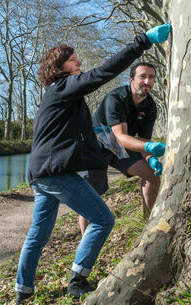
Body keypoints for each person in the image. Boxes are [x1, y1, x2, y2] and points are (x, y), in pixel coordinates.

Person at [14, 23, 171, 304]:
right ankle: (78, 279)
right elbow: (104, 72)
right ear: (60, 66)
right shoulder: (64, 87)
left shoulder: (57, 97)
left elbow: (73, 138)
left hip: (40, 175)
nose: (80, 63)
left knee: (38, 235)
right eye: (74, 60)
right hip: (57, 174)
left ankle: (22, 291)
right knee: (103, 219)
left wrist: (118, 152)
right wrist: (143, 41)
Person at [78, 61, 166, 235]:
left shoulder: (150, 106)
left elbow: (142, 142)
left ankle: (147, 227)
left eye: (151, 77)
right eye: (143, 77)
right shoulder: (116, 98)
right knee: (91, 196)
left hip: (120, 148)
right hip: (96, 146)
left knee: (152, 175)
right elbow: (121, 136)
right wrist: (149, 146)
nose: (147, 81)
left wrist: (151, 158)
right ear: (131, 79)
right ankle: (86, 246)